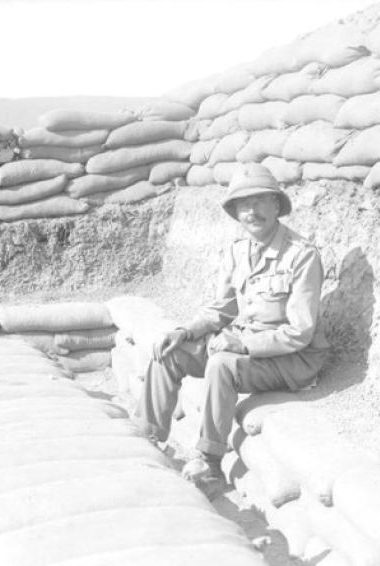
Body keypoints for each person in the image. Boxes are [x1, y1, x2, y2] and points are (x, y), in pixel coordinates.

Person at [134, 163, 330, 497]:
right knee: (169, 352)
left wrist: (240, 343)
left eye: (259, 202)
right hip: (246, 347)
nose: (251, 212)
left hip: (292, 360)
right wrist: (185, 331)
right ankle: (147, 439)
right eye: (242, 205)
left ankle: (209, 463)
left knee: (221, 364)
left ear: (275, 204)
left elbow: (300, 332)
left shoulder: (301, 255)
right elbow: (223, 307)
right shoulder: (238, 251)